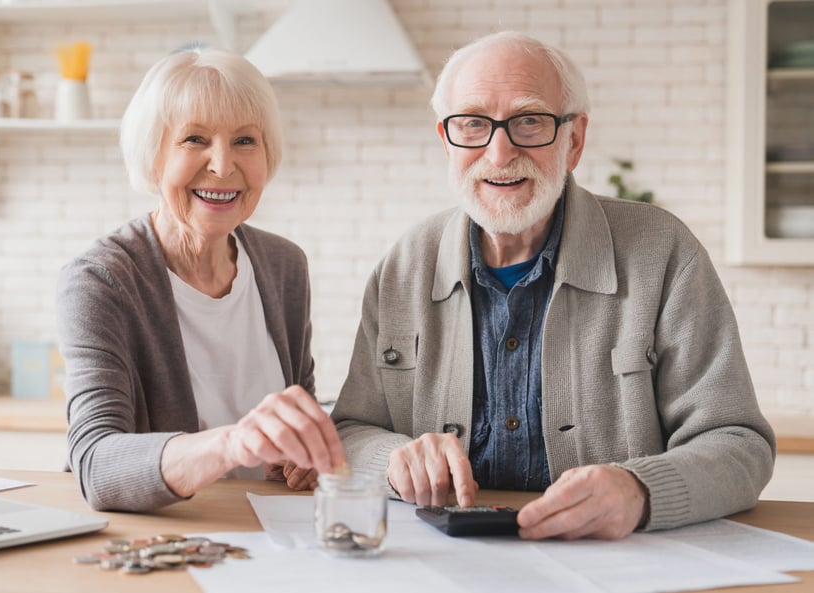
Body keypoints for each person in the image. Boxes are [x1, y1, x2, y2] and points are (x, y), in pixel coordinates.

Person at [330, 31, 775, 540]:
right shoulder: (403, 265)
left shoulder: (664, 252)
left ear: (574, 140)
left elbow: (739, 444)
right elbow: (349, 432)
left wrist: (639, 490)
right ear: (447, 140)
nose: (499, 154)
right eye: (473, 123)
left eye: (529, 121)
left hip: (614, 567)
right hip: (441, 566)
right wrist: (394, 460)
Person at [57, 48, 346, 512]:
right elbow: (95, 463)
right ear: (153, 157)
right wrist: (234, 444)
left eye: (246, 141)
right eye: (195, 139)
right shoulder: (101, 280)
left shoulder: (284, 265)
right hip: (168, 538)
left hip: (273, 534)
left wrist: (299, 455)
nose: (222, 165)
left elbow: (299, 412)